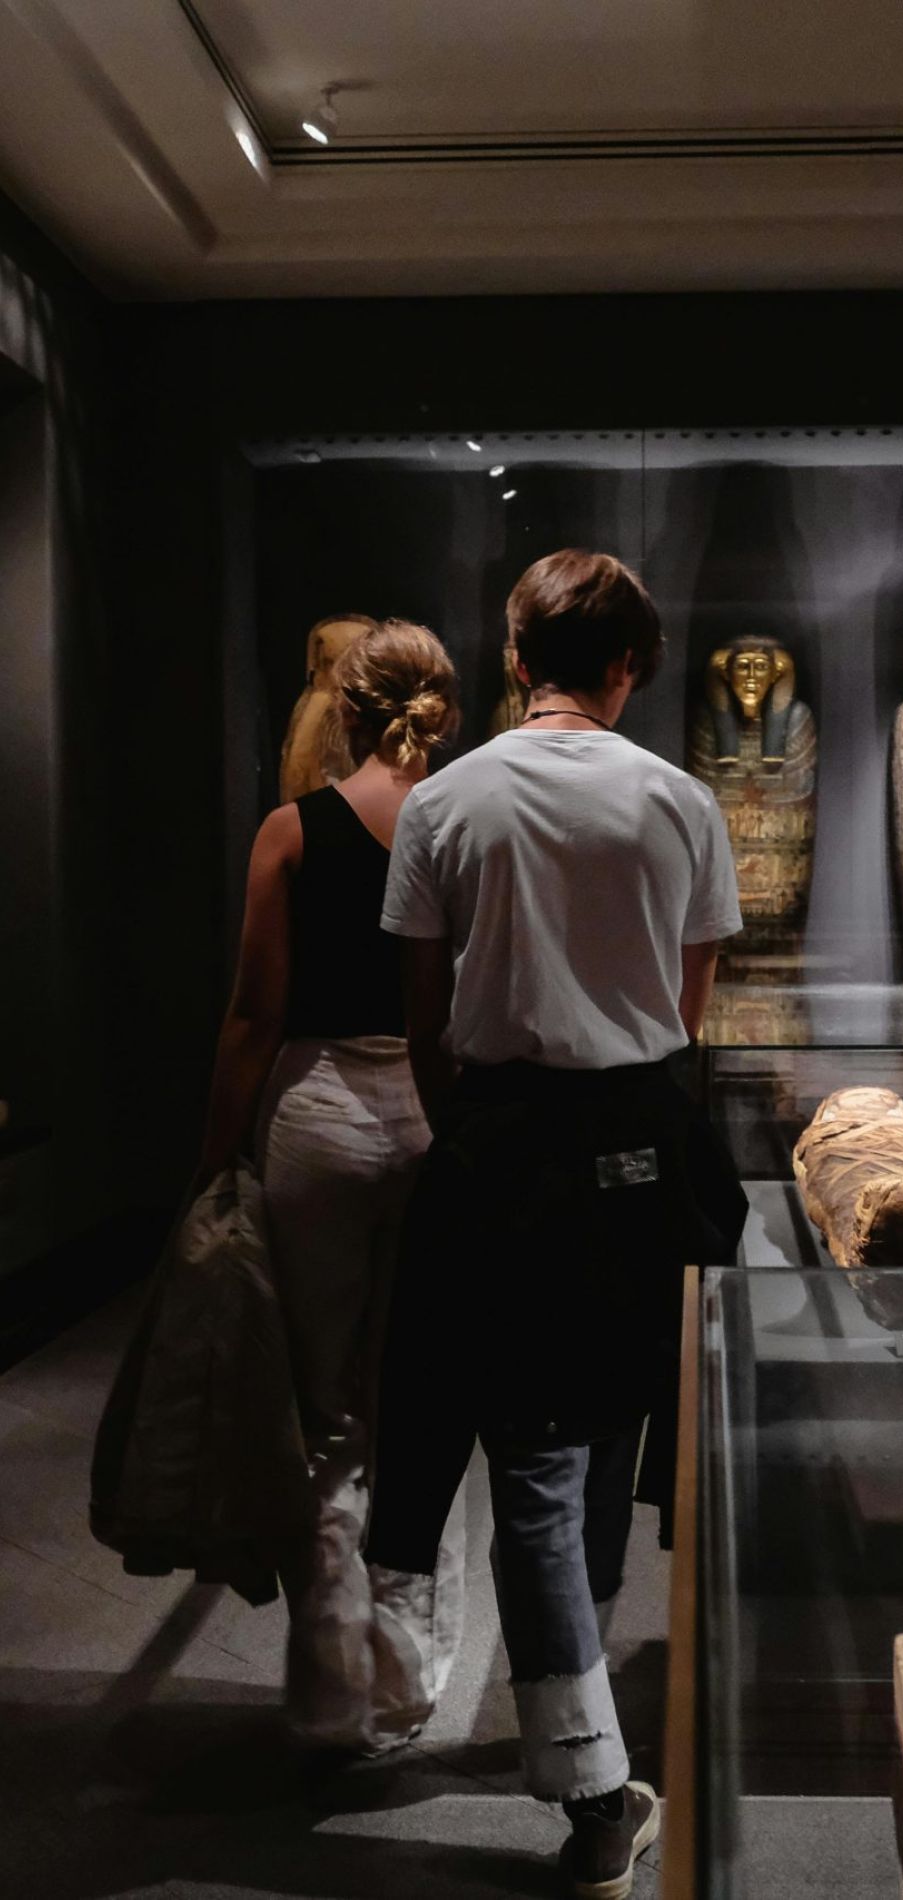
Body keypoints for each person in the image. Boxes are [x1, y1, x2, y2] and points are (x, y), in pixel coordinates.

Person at [367, 552, 747, 1898]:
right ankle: (590, 1778)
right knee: (587, 1440)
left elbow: (423, 1016)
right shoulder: (680, 798)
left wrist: (471, 1130)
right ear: (629, 664)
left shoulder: (446, 800)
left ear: (517, 654)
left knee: (541, 1451)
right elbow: (689, 1005)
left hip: (503, 1137)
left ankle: (579, 1750)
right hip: (640, 1139)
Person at [200, 617, 466, 1759]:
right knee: (419, 1393)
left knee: (327, 1407)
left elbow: (255, 1015)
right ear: (438, 714)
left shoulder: (289, 832)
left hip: (311, 1117)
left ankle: (326, 1684)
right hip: (427, 1113)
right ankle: (407, 1678)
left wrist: (216, 1157)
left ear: (340, 710)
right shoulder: (459, 824)